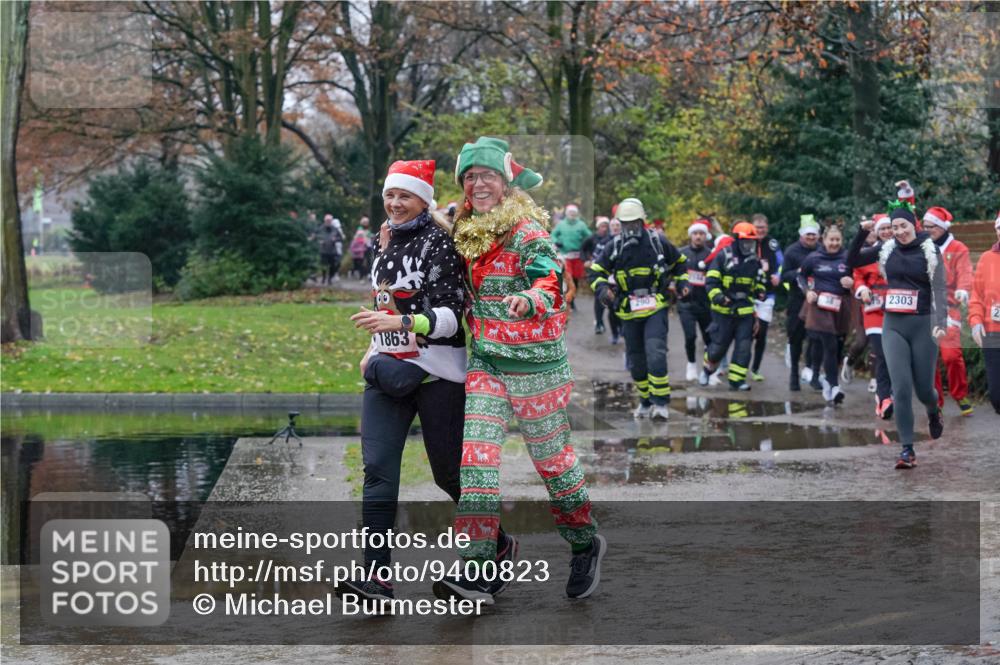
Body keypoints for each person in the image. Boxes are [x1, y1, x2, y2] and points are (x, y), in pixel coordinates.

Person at [434, 137, 603, 603]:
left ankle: (584, 542)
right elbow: (436, 233)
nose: (477, 183)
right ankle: (477, 570)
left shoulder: (526, 230)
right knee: (477, 467)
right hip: (487, 362)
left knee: (553, 465)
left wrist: (531, 297)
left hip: (537, 367)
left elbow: (550, 277)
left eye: (486, 174)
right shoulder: (468, 234)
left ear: (506, 183)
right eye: (470, 176)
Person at [343, 159, 482, 602]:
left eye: (404, 195)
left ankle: (496, 545)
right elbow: (381, 304)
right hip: (388, 373)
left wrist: (401, 322)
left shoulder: (439, 243)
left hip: (437, 375)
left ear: (423, 198)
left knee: (449, 477)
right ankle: (378, 577)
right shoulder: (385, 242)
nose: (395, 203)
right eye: (389, 195)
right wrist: (372, 352)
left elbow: (450, 319)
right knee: (378, 472)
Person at [847, 206, 946, 470]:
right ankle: (906, 450)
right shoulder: (886, 249)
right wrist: (860, 232)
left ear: (914, 225)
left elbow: (939, 286)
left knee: (924, 389)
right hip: (893, 324)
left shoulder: (929, 249)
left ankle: (933, 410)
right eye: (895, 227)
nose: (900, 231)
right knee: (900, 388)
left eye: (904, 226)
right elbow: (851, 260)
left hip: (923, 324)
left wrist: (942, 323)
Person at [589, 198, 688, 420]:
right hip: (628, 311)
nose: (630, 229)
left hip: (655, 306)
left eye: (634, 224)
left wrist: (682, 284)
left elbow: (681, 263)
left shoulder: (657, 243)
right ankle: (645, 401)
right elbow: (595, 272)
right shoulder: (613, 247)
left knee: (656, 354)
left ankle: (661, 404)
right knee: (636, 360)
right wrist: (604, 291)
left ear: (642, 222)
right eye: (625, 224)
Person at [700, 222, 767, 391]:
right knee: (718, 347)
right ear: (737, 241)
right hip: (724, 311)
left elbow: (758, 283)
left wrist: (760, 291)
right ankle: (707, 369)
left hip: (745, 312)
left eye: (751, 242)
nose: (748, 246)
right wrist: (719, 297)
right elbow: (711, 281)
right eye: (745, 242)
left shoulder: (754, 261)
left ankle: (737, 381)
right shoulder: (723, 256)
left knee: (744, 347)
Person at [923, 207, 975, 416]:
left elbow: (965, 272)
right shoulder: (922, 246)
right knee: (929, 357)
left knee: (951, 356)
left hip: (949, 308)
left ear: (942, 226)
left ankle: (960, 392)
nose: (927, 230)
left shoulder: (958, 248)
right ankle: (936, 401)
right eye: (925, 227)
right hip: (925, 309)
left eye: (931, 227)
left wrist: (963, 289)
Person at [798, 223, 853, 405]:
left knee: (836, 345)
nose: (835, 243)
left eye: (838, 240)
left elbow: (857, 276)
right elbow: (801, 277)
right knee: (829, 344)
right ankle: (834, 386)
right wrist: (808, 292)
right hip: (820, 307)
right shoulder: (814, 258)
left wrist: (851, 282)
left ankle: (829, 383)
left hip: (841, 305)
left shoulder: (847, 257)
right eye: (831, 240)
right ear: (824, 240)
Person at [852, 213, 895, 419]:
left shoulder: (903, 250)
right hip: (873, 312)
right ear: (877, 232)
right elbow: (856, 273)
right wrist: (861, 289)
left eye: (889, 228)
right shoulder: (871, 252)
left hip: (896, 310)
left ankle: (891, 392)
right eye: (882, 229)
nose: (886, 232)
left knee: (895, 355)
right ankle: (884, 397)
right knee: (882, 352)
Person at [781, 215, 822, 391]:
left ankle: (813, 374)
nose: (811, 238)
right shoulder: (792, 251)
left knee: (816, 338)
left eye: (814, 235)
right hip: (797, 301)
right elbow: (784, 276)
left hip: (817, 302)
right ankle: (794, 376)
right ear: (801, 235)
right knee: (796, 339)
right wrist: (798, 273)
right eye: (808, 235)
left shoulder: (822, 250)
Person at [968, 212, 1000, 414]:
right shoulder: (987, 258)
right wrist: (976, 321)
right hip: (993, 333)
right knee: (997, 398)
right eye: (999, 228)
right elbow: (976, 296)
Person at [678, 218, 714, 382]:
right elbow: (675, 274)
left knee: (709, 339)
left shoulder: (711, 255)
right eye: (695, 233)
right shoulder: (682, 253)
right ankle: (691, 364)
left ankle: (708, 370)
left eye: (701, 234)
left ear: (705, 236)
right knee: (690, 336)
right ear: (691, 235)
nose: (698, 237)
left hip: (706, 304)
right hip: (686, 303)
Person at [749, 213, 782, 381]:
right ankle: (736, 366)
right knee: (745, 332)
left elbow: (782, 262)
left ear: (767, 228)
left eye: (762, 227)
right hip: (748, 294)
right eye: (757, 227)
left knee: (761, 333)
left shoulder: (772, 243)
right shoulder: (747, 242)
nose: (760, 230)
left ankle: (755, 369)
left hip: (767, 295)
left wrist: (778, 275)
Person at [551, 204, 592, 311]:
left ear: (576, 214)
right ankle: (565, 300)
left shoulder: (581, 225)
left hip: (578, 255)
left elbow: (590, 236)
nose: (572, 215)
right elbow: (553, 235)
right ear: (567, 214)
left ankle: (572, 300)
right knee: (568, 276)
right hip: (565, 255)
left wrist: (586, 246)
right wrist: (557, 242)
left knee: (576, 279)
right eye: (570, 213)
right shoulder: (561, 224)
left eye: (574, 213)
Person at [581, 216, 615, 335]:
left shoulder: (614, 239)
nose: (604, 229)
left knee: (612, 299)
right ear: (598, 227)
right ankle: (599, 323)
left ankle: (616, 328)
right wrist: (586, 260)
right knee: (599, 297)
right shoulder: (593, 239)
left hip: (611, 273)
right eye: (602, 226)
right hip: (597, 270)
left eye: (606, 226)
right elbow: (583, 249)